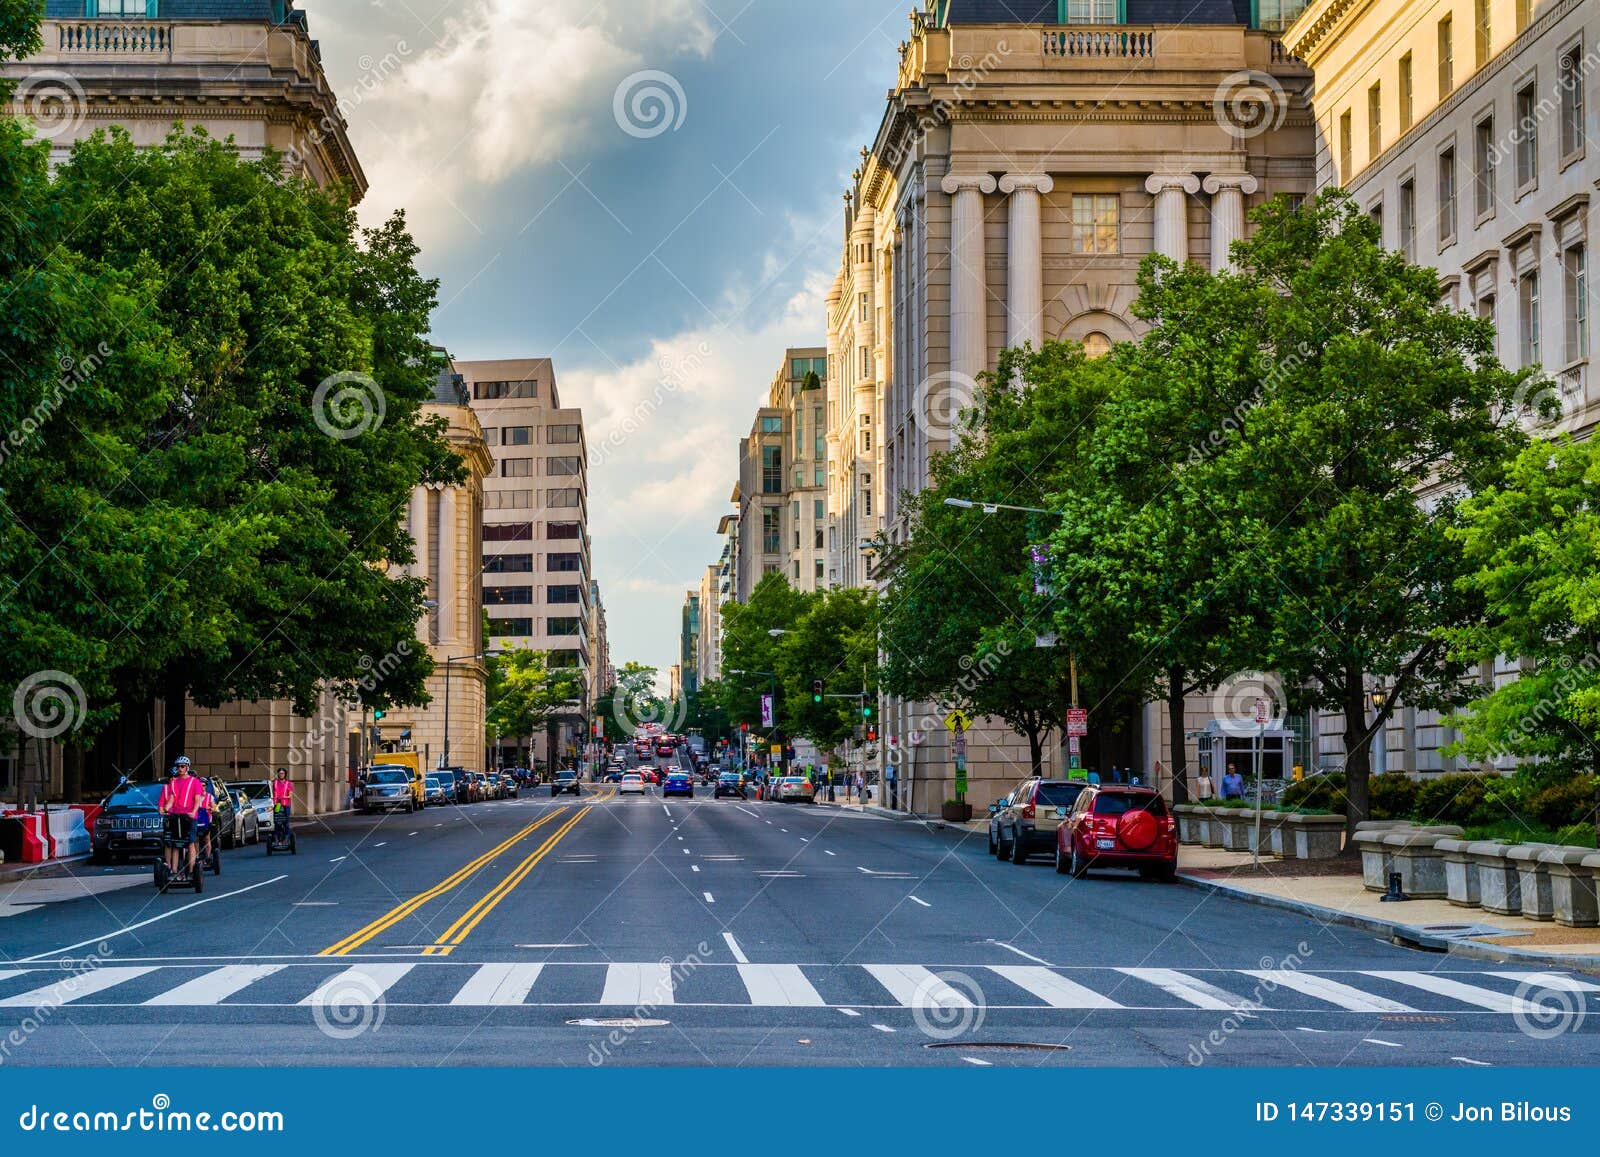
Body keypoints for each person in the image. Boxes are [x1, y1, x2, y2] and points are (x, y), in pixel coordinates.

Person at [158, 757, 203, 878]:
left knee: (190, 842)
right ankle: (174, 871)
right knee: (175, 843)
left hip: (189, 816)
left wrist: (194, 811)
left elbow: (197, 799)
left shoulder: (195, 782)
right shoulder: (173, 782)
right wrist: (166, 808)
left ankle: (192, 870)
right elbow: (172, 799)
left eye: (182, 766)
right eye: (178, 766)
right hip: (176, 815)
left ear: (187, 767)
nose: (180, 769)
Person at [271, 767, 294, 840]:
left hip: (285, 805)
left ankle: (287, 836)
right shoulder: (275, 782)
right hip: (278, 805)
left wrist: (285, 796)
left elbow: (290, 795)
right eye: (280, 773)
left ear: (285, 774)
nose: (281, 775)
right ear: (278, 774)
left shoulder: (288, 783)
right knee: (277, 820)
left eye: (282, 773)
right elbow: (272, 792)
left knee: (286, 821)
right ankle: (276, 836)